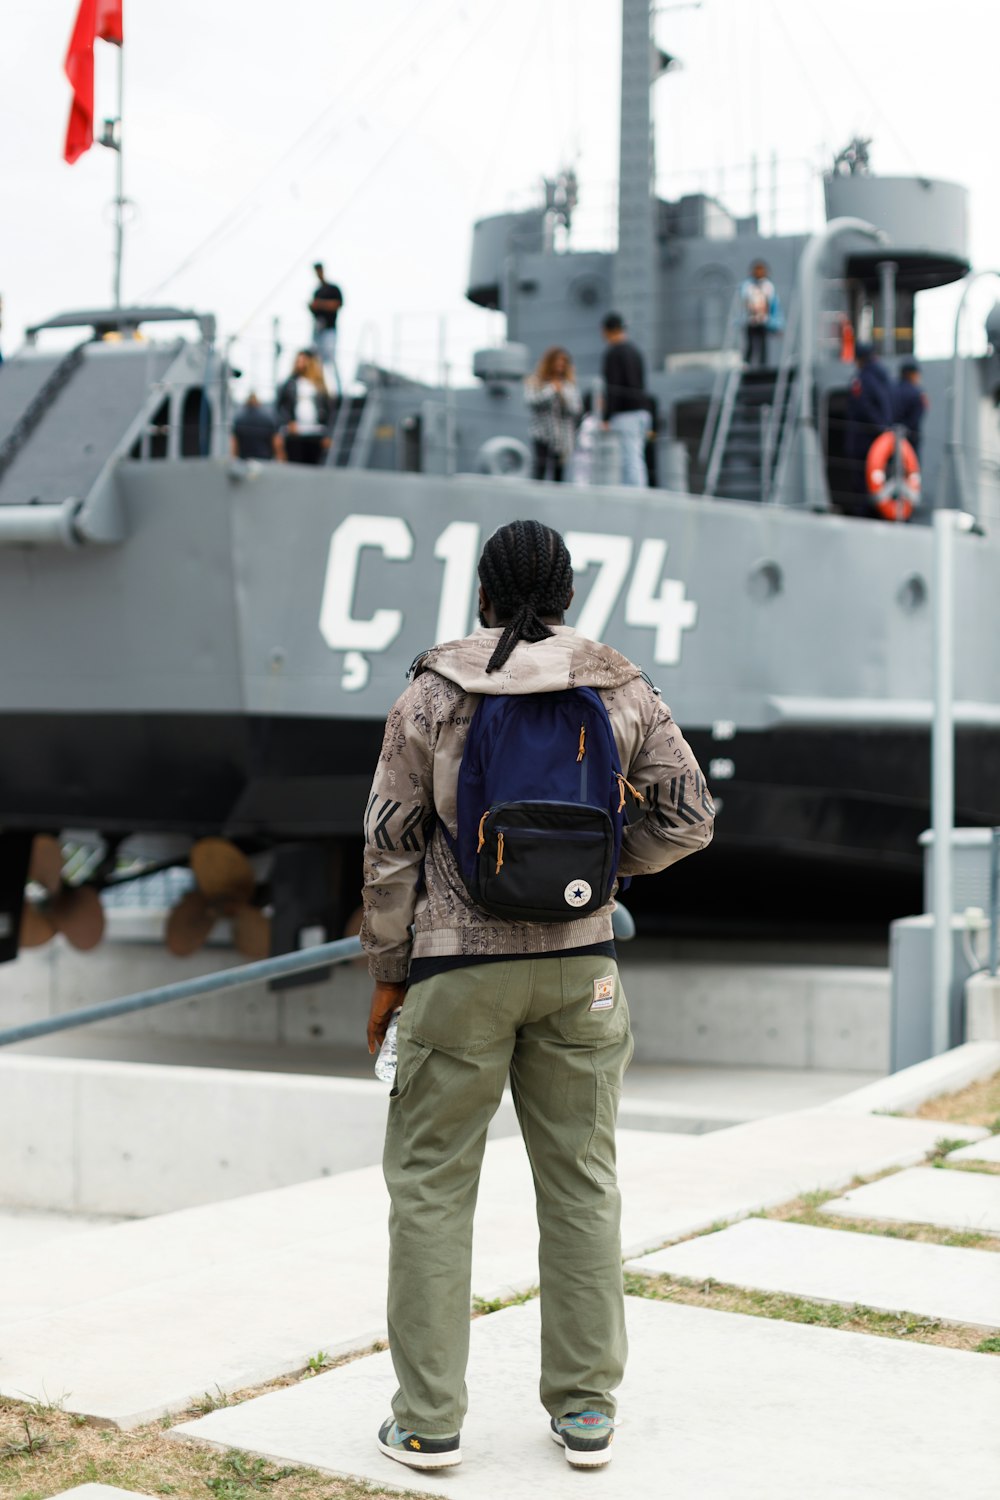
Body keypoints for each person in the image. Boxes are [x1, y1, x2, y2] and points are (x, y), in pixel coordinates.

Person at [362, 518, 714, 1475]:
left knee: (432, 1190)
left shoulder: (436, 689)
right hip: (582, 970)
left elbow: (390, 843)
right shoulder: (617, 682)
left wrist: (388, 974)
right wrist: (603, 876)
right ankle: (587, 1412)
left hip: (455, 969)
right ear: (567, 593)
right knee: (582, 1185)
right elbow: (690, 815)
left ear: (483, 591)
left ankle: (428, 1422)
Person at [600, 312, 650, 487]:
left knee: (627, 458)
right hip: (641, 411)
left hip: (624, 414)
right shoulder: (635, 351)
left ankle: (634, 495)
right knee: (636, 456)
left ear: (607, 331)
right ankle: (638, 491)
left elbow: (613, 387)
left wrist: (606, 417)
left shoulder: (613, 353)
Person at [844, 343, 893, 515]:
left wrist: (879, 427)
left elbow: (863, 407)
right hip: (880, 443)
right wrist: (884, 429)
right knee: (878, 479)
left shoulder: (862, 379)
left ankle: (863, 514)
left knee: (861, 483)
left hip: (862, 442)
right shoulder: (884, 377)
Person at [524, 346, 581, 481]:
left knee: (559, 472)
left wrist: (562, 394)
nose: (560, 365)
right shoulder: (536, 381)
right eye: (557, 361)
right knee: (540, 467)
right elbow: (531, 401)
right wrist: (551, 389)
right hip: (542, 432)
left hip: (563, 436)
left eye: (563, 361)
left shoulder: (569, 385)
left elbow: (576, 409)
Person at [276, 350, 332, 465]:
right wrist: (288, 422)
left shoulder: (319, 385)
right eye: (298, 360)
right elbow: (280, 407)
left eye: (303, 360)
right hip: (295, 433)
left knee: (314, 466)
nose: (300, 363)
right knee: (295, 464)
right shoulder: (289, 383)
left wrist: (327, 435)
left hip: (316, 433)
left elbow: (329, 411)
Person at [309, 262, 343, 397]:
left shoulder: (333, 289)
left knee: (331, 359)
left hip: (329, 329)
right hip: (318, 329)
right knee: (317, 361)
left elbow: (337, 305)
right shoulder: (317, 291)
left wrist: (320, 304)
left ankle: (338, 390)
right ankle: (322, 391)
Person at [740, 261, 780, 368]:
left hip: (763, 319)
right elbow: (745, 300)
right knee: (750, 343)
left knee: (762, 343)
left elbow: (772, 303)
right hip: (751, 319)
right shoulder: (748, 285)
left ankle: (763, 364)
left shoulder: (768, 286)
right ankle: (747, 362)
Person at [229, 392, 283, 462]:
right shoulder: (268, 418)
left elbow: (234, 446)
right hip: (265, 462)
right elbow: (277, 443)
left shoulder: (239, 419)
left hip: (245, 463)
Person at [891, 358, 928, 456]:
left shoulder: (892, 389)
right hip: (911, 441)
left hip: (890, 439)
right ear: (911, 374)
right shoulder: (917, 394)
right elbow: (915, 419)